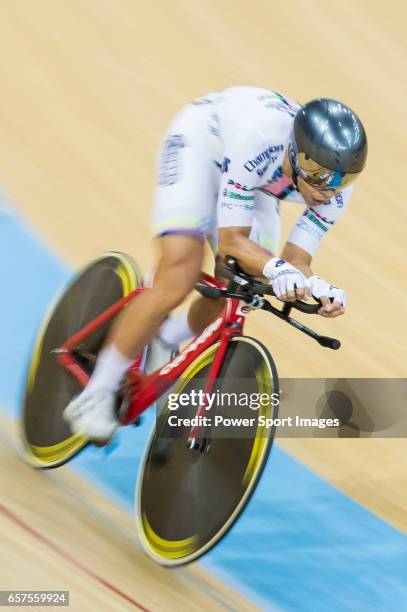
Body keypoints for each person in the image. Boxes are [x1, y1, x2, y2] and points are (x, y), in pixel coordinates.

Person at [64, 86, 367, 443]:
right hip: (200, 146)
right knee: (181, 273)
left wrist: (317, 288)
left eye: (341, 180)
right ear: (297, 154)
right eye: (318, 175)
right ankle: (95, 394)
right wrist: (275, 268)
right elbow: (232, 240)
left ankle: (166, 336)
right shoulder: (259, 138)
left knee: (240, 290)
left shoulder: (334, 191)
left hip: (257, 186)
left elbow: (296, 260)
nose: (327, 190)